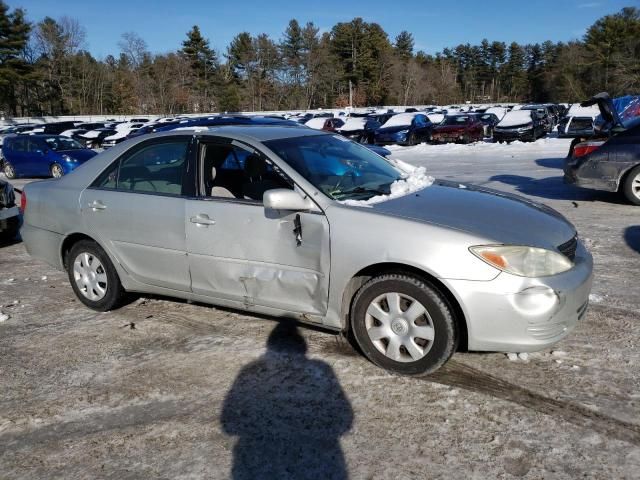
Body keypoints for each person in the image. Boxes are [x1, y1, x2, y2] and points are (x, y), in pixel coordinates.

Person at [221, 320, 353, 479]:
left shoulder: (251, 372)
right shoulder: (321, 371)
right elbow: (344, 421)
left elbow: (229, 423)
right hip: (314, 466)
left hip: (262, 468)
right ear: (302, 347)